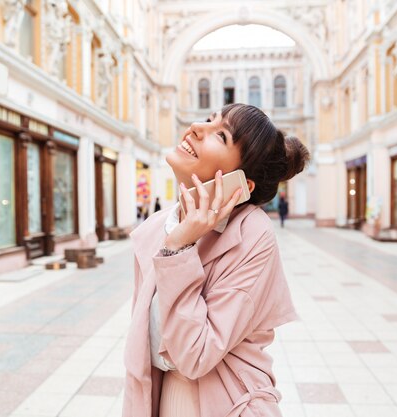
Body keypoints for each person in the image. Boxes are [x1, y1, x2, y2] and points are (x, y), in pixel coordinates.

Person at [123, 103, 310, 417]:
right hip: (162, 399)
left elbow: (194, 355)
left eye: (220, 135)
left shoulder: (253, 235)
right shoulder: (160, 226)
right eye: (208, 119)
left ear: (241, 185)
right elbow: (148, 346)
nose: (197, 126)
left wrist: (180, 248)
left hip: (227, 403)